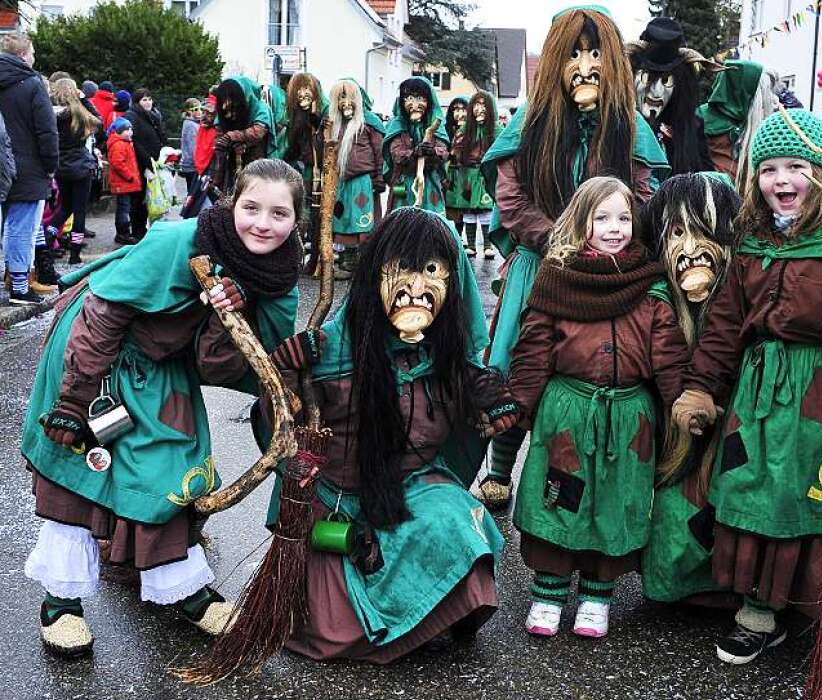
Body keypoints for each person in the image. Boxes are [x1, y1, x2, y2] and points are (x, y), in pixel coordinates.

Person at [21, 158, 303, 657]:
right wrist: (73, 398)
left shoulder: (278, 277)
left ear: (295, 220)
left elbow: (217, 368)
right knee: (80, 469)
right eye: (252, 207)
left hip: (163, 365)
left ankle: (183, 588)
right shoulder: (179, 243)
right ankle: (60, 602)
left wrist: (225, 316)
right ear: (231, 203)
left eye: (279, 214)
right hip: (97, 354)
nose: (263, 223)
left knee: (171, 466)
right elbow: (104, 313)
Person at [672, 109, 822, 664]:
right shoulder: (753, 239)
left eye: (796, 167)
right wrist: (700, 387)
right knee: (758, 491)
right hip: (763, 398)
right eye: (769, 169)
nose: (782, 181)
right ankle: (761, 610)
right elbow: (725, 324)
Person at [262, 207, 510, 663]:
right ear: (375, 274)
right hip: (338, 498)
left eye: (432, 271)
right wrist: (287, 376)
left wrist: (492, 402)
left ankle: (441, 608)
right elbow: (278, 430)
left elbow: (468, 430)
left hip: (412, 485)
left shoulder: (449, 354)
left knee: (458, 523)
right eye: (402, 269)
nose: (416, 288)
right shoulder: (330, 347)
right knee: (336, 622)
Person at [476, 5, 669, 513]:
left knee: (592, 370)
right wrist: (556, 241)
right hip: (539, 267)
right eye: (574, 54)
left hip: (607, 272)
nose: (585, 65)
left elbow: (646, 196)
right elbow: (511, 201)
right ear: (557, 61)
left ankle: (587, 474)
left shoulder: (629, 127)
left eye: (595, 52)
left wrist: (607, 243)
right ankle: (499, 469)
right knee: (521, 366)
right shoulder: (529, 124)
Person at [506, 176, 686, 638]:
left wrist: (682, 405)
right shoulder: (559, 278)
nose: (614, 227)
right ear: (580, 221)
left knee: (616, 502)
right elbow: (533, 348)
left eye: (623, 218)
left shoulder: (649, 285)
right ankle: (547, 593)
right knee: (559, 499)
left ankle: (595, 596)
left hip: (629, 419)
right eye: (601, 217)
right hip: (568, 414)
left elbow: (667, 353)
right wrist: (518, 405)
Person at [639, 171, 743, 605]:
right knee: (673, 526)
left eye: (704, 231)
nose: (690, 249)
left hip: (735, 440)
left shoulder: (745, 293)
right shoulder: (656, 303)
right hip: (678, 449)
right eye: (677, 233)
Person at [0, 33, 57, 305]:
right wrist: (50, 165)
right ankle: (20, 287)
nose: (34, 58)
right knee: (21, 229)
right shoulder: (32, 84)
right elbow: (46, 131)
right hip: (28, 167)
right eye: (32, 52)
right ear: (23, 55)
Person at [629, 17, 715, 175]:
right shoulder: (618, 123)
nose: (655, 92)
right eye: (647, 78)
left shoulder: (691, 126)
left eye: (666, 81)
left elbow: (707, 175)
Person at [326, 78, 384, 279]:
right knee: (343, 220)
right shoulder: (333, 124)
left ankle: (365, 263)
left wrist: (378, 178)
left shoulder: (369, 122)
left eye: (349, 96)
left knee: (362, 221)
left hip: (362, 181)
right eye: (341, 97)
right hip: (341, 181)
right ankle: (348, 262)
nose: (345, 102)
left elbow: (379, 151)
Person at [698, 59, 776, 188]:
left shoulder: (763, 122)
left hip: (750, 197)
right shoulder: (700, 117)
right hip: (712, 195)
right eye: (763, 90)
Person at [382, 76, 450, 214]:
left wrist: (432, 152)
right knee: (403, 225)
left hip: (430, 182)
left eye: (420, 98)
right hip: (404, 183)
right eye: (409, 98)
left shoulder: (436, 124)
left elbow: (443, 151)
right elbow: (396, 153)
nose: (414, 104)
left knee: (431, 224)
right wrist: (414, 153)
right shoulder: (396, 125)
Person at [50, 78, 99, 265]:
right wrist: (84, 99)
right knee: (79, 211)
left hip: (61, 167)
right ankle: (75, 253)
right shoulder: (78, 113)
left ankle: (48, 239)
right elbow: (99, 122)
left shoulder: (52, 114)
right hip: (80, 166)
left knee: (65, 207)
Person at [280, 73, 328, 250]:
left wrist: (317, 122)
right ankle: (299, 245)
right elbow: (292, 144)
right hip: (305, 167)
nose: (303, 94)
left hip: (321, 169)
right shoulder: (295, 115)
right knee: (303, 205)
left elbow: (327, 142)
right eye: (299, 90)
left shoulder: (324, 111)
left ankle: (318, 248)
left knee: (318, 208)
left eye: (307, 89)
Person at [451, 91, 500, 259]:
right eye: (476, 105)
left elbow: (503, 147)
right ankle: (471, 245)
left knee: (486, 209)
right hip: (467, 174)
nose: (480, 109)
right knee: (469, 211)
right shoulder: (465, 129)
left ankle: (488, 245)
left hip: (485, 174)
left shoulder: (496, 128)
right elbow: (455, 149)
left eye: (483, 105)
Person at [211, 76, 275, 194]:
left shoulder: (260, 107)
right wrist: (217, 174)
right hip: (231, 164)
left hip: (255, 162)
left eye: (230, 101)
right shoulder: (223, 110)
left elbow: (258, 131)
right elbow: (219, 134)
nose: (226, 107)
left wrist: (233, 135)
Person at [123, 88, 167, 241]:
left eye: (149, 99)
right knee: (139, 201)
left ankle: (150, 231)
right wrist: (147, 160)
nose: (148, 102)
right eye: (144, 100)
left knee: (153, 198)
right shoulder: (132, 115)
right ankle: (137, 232)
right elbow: (133, 141)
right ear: (137, 102)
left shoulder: (154, 116)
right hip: (140, 164)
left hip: (154, 163)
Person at [106, 117, 141, 245]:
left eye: (131, 129)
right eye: (127, 130)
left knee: (125, 208)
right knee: (123, 210)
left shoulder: (125, 142)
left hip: (126, 183)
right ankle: (123, 233)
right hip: (124, 183)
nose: (130, 132)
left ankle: (124, 232)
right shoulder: (118, 144)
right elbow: (118, 164)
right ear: (119, 131)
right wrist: (130, 176)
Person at [443, 96, 468, 243]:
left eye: (463, 109)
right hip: (450, 174)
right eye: (456, 109)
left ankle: (463, 239)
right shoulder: (447, 130)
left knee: (465, 208)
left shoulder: (473, 131)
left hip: (466, 174)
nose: (460, 113)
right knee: (451, 209)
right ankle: (453, 238)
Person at [179, 97, 201, 192]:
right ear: (189, 111)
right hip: (192, 167)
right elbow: (193, 148)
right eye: (196, 109)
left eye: (201, 108)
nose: (200, 112)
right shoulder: (191, 125)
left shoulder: (194, 124)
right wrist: (199, 164)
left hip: (192, 166)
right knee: (193, 194)